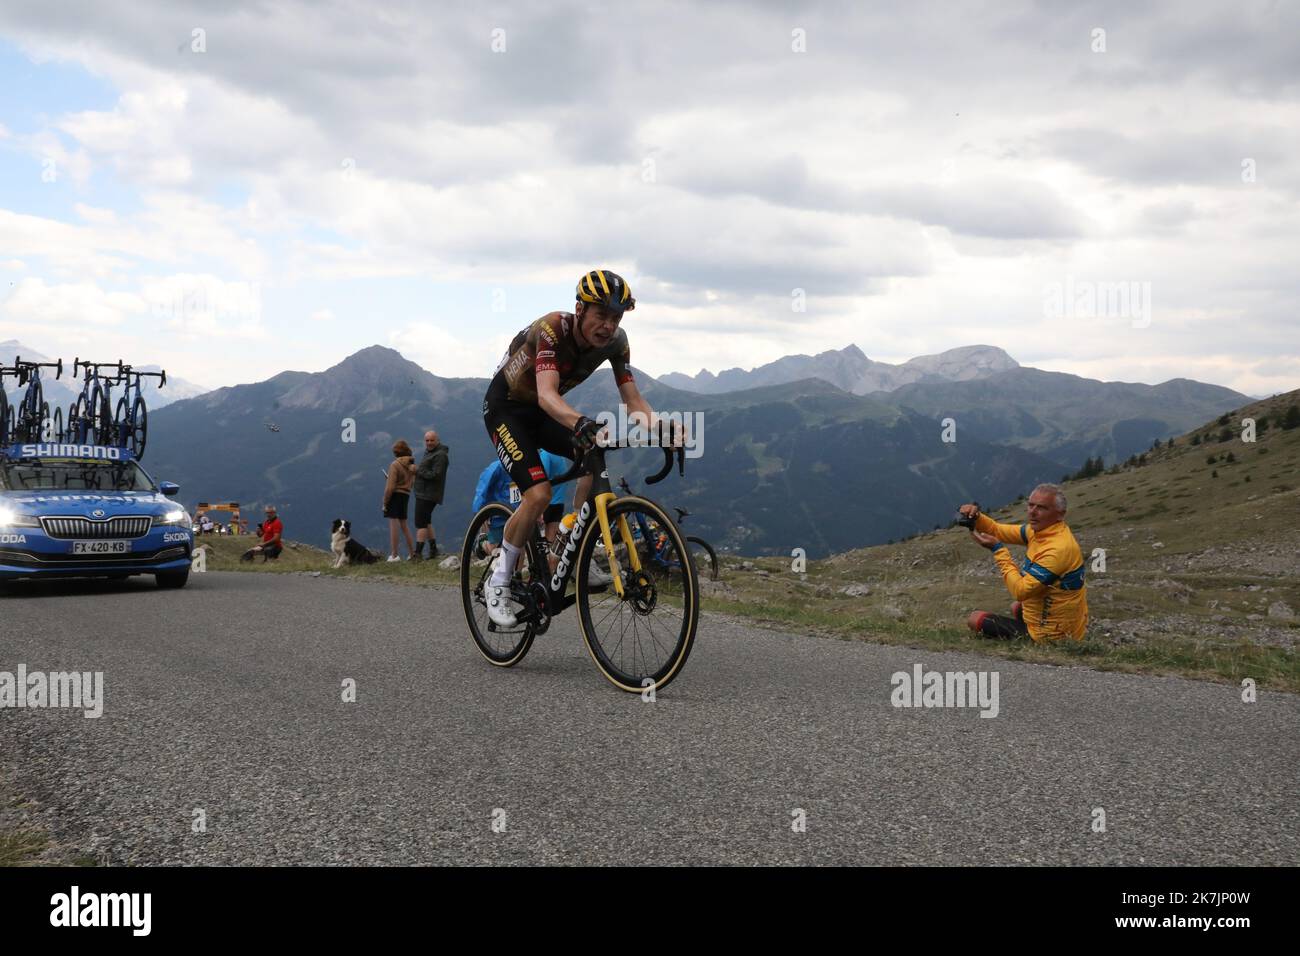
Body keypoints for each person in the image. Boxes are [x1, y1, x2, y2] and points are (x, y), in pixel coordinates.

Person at [480, 269, 681, 626]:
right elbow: (546, 393)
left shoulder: (618, 343)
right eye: (601, 314)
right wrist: (579, 421)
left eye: (615, 317)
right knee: (539, 494)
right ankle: (500, 581)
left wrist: (661, 427)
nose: (608, 325)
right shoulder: (552, 329)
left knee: (594, 456)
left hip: (544, 412)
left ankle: (568, 552)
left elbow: (633, 400)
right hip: (507, 408)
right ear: (580, 309)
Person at [959, 484, 1089, 641]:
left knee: (975, 618)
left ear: (1060, 514)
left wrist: (998, 551)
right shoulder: (1040, 532)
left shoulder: (1057, 549)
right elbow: (997, 530)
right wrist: (977, 517)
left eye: (1042, 508)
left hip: (1052, 635)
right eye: (1030, 505)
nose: (1032, 512)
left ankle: (1039, 641)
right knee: (1017, 607)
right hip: (1062, 623)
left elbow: (1020, 591)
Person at [470, 450, 571, 572]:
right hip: (498, 518)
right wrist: (480, 513)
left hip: (517, 514)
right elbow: (481, 491)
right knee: (496, 548)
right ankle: (483, 545)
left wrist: (536, 511)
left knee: (519, 547)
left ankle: (515, 577)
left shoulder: (523, 470)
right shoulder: (496, 468)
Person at [412, 430, 449, 561]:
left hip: (428, 494)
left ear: (437, 440)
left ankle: (417, 554)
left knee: (420, 523)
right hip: (424, 493)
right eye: (427, 440)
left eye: (432, 440)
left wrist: (418, 471)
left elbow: (436, 475)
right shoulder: (431, 453)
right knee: (426, 521)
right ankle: (433, 550)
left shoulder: (440, 456)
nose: (429, 443)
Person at [383, 440, 417, 562]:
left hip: (395, 495)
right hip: (405, 495)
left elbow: (390, 487)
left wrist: (385, 502)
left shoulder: (395, 465)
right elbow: (411, 482)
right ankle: (412, 553)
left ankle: (394, 555)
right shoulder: (412, 465)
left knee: (394, 525)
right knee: (404, 525)